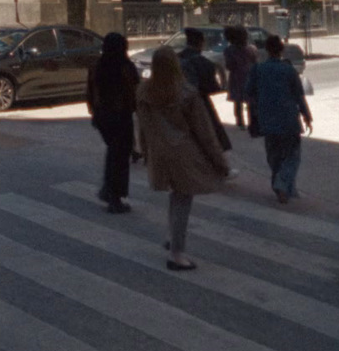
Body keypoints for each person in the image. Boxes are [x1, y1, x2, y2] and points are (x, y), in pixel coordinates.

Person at [138, 47, 231, 271]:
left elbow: (141, 126)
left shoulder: (143, 92)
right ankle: (176, 253)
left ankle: (172, 238)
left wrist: (144, 150)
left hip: (159, 151)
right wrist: (220, 161)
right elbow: (204, 133)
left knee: (175, 196)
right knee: (183, 199)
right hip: (183, 152)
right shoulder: (186, 93)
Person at [245, 34, 313, 203]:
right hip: (288, 118)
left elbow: (248, 92)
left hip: (267, 119)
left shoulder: (258, 70)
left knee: (274, 155)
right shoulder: (288, 70)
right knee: (291, 155)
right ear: (281, 49)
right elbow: (299, 96)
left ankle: (279, 186)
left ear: (266, 50)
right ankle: (282, 183)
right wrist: (307, 117)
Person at [87, 33, 141, 213]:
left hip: (102, 117)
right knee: (119, 157)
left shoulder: (96, 66)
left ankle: (108, 190)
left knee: (113, 152)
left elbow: (89, 92)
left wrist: (94, 113)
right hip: (121, 116)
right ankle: (114, 197)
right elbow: (134, 90)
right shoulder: (125, 67)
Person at [178, 28, 236, 158]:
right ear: (201, 43)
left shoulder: (176, 59)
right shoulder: (205, 63)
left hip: (178, 105)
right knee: (210, 136)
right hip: (200, 104)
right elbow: (214, 89)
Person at [222, 26, 255, 129]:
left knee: (238, 100)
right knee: (250, 100)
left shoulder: (229, 51)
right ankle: (252, 122)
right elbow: (254, 62)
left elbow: (229, 65)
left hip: (236, 76)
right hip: (248, 76)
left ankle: (240, 122)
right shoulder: (251, 49)